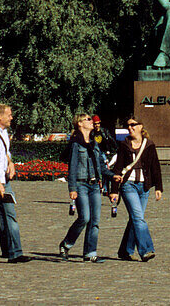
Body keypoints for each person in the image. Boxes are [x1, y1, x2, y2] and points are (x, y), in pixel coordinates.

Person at [59, 112, 114, 263]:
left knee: (95, 220)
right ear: (80, 124)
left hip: (95, 185)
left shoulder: (94, 143)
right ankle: (66, 244)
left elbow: (101, 166)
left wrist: (112, 175)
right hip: (81, 184)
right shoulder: (75, 143)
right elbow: (73, 166)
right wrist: (72, 188)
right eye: (88, 119)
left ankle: (90, 253)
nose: (92, 121)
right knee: (84, 217)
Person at [0, 104, 32, 263]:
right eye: (9, 115)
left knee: (9, 216)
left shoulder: (4, 133)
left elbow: (5, 153)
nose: (11, 117)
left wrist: (10, 163)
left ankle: (14, 252)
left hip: (4, 180)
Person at [112, 117, 163, 262]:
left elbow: (155, 167)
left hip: (144, 187)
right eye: (128, 125)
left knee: (135, 219)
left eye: (133, 125)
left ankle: (125, 251)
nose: (130, 128)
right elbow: (118, 167)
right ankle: (146, 250)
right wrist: (114, 190)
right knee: (138, 218)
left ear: (141, 126)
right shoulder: (124, 145)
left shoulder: (149, 145)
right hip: (129, 185)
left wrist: (158, 187)